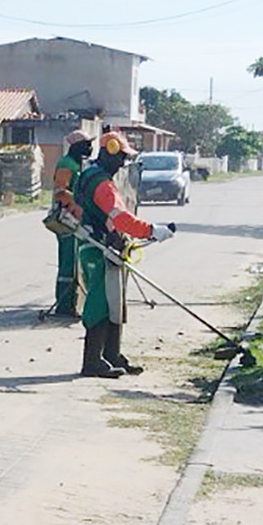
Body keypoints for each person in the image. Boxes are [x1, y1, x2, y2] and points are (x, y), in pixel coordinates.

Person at [73, 130, 175, 377]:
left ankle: (111, 355)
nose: (123, 163)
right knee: (100, 304)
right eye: (121, 157)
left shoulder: (89, 176)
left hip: (101, 247)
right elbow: (120, 218)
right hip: (98, 249)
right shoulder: (102, 184)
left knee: (114, 303)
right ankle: (92, 362)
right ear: (109, 152)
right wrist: (151, 230)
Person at [51, 130, 93, 317]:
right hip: (66, 219)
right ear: (75, 146)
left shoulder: (77, 164)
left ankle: (72, 302)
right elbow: (60, 191)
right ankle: (63, 304)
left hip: (76, 219)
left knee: (75, 261)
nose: (89, 148)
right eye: (85, 144)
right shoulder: (66, 165)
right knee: (68, 263)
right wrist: (79, 200)